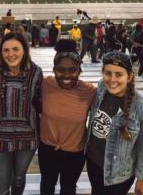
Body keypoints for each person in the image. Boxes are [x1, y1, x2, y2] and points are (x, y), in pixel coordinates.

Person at [85, 51, 143, 195]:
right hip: (93, 163)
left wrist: (142, 179)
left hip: (118, 174)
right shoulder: (101, 88)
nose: (112, 79)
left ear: (129, 76)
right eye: (108, 73)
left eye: (119, 74)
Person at [0, 32, 43, 195]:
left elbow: (41, 103)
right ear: (1, 52)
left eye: (15, 49)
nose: (11, 54)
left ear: (24, 49)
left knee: (18, 177)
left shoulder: (36, 72)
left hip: (27, 138)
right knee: (1, 186)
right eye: (6, 50)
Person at [39, 40, 95, 195]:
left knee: (68, 187)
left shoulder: (89, 91)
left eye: (72, 70)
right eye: (60, 70)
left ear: (79, 70)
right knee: (47, 185)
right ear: (54, 69)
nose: (66, 75)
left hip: (75, 152)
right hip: (47, 149)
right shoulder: (45, 85)